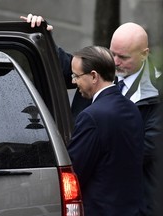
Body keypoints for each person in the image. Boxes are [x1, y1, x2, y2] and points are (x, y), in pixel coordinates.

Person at [21, 14, 161, 216]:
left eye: (123, 57)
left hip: (124, 198)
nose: (115, 62)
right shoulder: (99, 73)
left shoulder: (162, 93)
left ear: (144, 54)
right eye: (112, 54)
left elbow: (141, 150)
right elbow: (69, 68)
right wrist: (43, 36)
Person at [66, 45, 145, 215]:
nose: (73, 81)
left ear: (94, 76)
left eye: (76, 76)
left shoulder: (91, 117)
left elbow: (74, 172)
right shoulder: (132, 108)